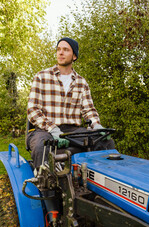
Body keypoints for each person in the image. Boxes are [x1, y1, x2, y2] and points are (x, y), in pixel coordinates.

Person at [27, 37, 115, 168]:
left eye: (65, 50)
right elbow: (32, 110)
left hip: (72, 131)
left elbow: (88, 110)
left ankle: (99, 180)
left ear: (74, 56)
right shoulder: (42, 77)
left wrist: (96, 125)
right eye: (58, 49)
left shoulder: (81, 82)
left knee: (106, 142)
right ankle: (46, 186)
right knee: (42, 146)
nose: (60, 53)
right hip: (44, 130)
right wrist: (52, 128)